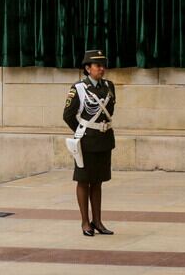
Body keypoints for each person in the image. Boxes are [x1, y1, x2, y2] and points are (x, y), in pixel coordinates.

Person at [63, 49, 115, 237]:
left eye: (103, 65)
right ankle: (85, 222)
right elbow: (68, 115)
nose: (102, 69)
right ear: (87, 68)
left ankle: (98, 221)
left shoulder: (109, 86)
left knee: (98, 181)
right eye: (97, 65)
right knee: (84, 181)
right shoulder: (78, 88)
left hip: (104, 139)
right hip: (86, 141)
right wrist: (82, 130)